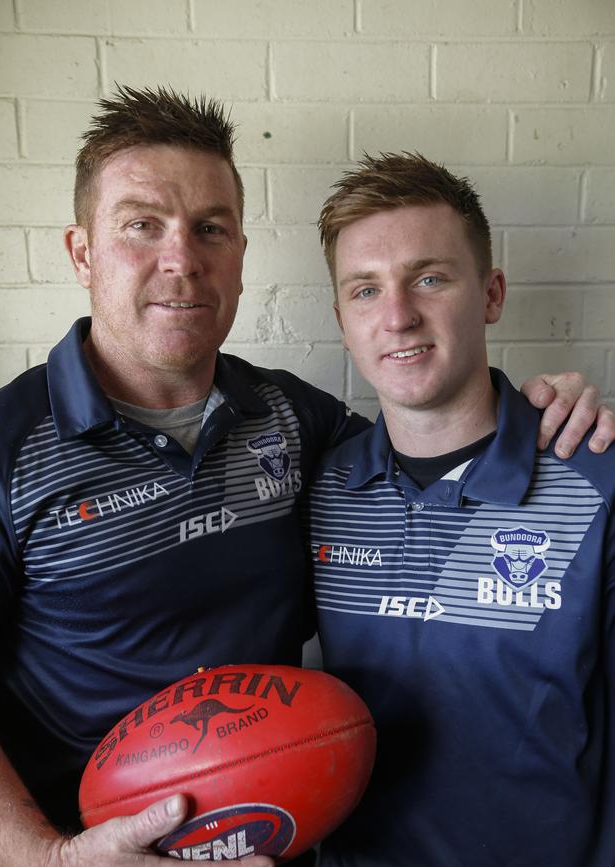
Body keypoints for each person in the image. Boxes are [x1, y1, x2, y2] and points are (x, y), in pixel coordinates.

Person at [0, 88, 610, 867]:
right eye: (142, 225)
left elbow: (436, 449)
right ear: (80, 252)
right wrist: (47, 858)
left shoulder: (293, 423)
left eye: (210, 228)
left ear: (240, 253)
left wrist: (552, 418)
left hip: (289, 839)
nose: (181, 259)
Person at [307, 152, 615, 867]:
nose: (398, 315)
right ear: (341, 321)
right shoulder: (324, 489)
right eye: (364, 290)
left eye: (430, 278)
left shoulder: (593, 481)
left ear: (492, 293)